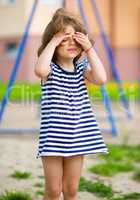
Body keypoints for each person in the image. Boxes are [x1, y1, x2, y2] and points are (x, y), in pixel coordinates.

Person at [34, 8, 108, 200]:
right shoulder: (50, 69)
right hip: (54, 139)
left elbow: (101, 79)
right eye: (64, 39)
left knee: (71, 190)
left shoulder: (81, 68)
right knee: (53, 190)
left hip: (78, 136)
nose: (71, 43)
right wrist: (53, 40)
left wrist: (90, 49)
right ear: (54, 42)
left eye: (75, 39)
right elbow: (40, 69)